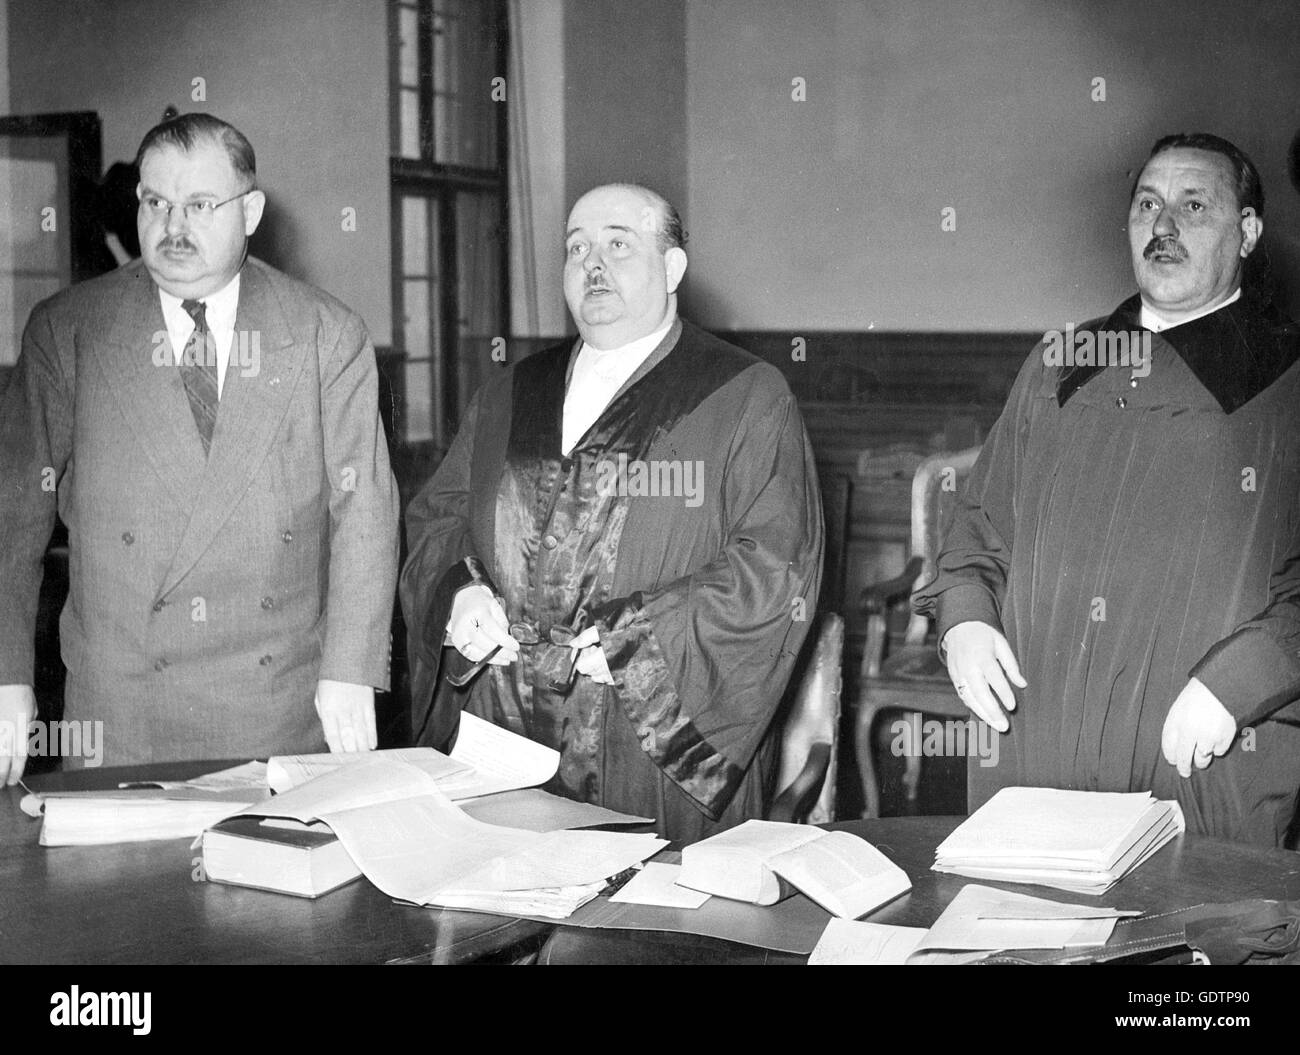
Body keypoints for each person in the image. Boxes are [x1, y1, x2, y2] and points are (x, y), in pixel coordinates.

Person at [401, 183, 823, 841]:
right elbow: (441, 514)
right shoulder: (511, 390)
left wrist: (638, 640)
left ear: (673, 267)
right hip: (502, 723)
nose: (592, 263)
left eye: (618, 243)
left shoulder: (744, 394)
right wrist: (457, 596)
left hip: (648, 743)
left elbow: (776, 567)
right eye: (576, 247)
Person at [915, 132, 1300, 846]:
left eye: (1194, 205)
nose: (1163, 226)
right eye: (1148, 204)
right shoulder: (1062, 362)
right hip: (1036, 749)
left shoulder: (1286, 377)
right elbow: (979, 526)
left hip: (1201, 758)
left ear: (1247, 233)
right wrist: (966, 619)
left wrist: (1241, 682)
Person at [0, 113, 399, 783]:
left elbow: (365, 512)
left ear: (250, 211)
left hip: (277, 706)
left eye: (199, 205)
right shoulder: (67, 330)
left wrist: (351, 670)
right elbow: (14, 518)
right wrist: (8, 675)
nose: (171, 226)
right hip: (123, 713)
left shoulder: (326, 333)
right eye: (154, 202)